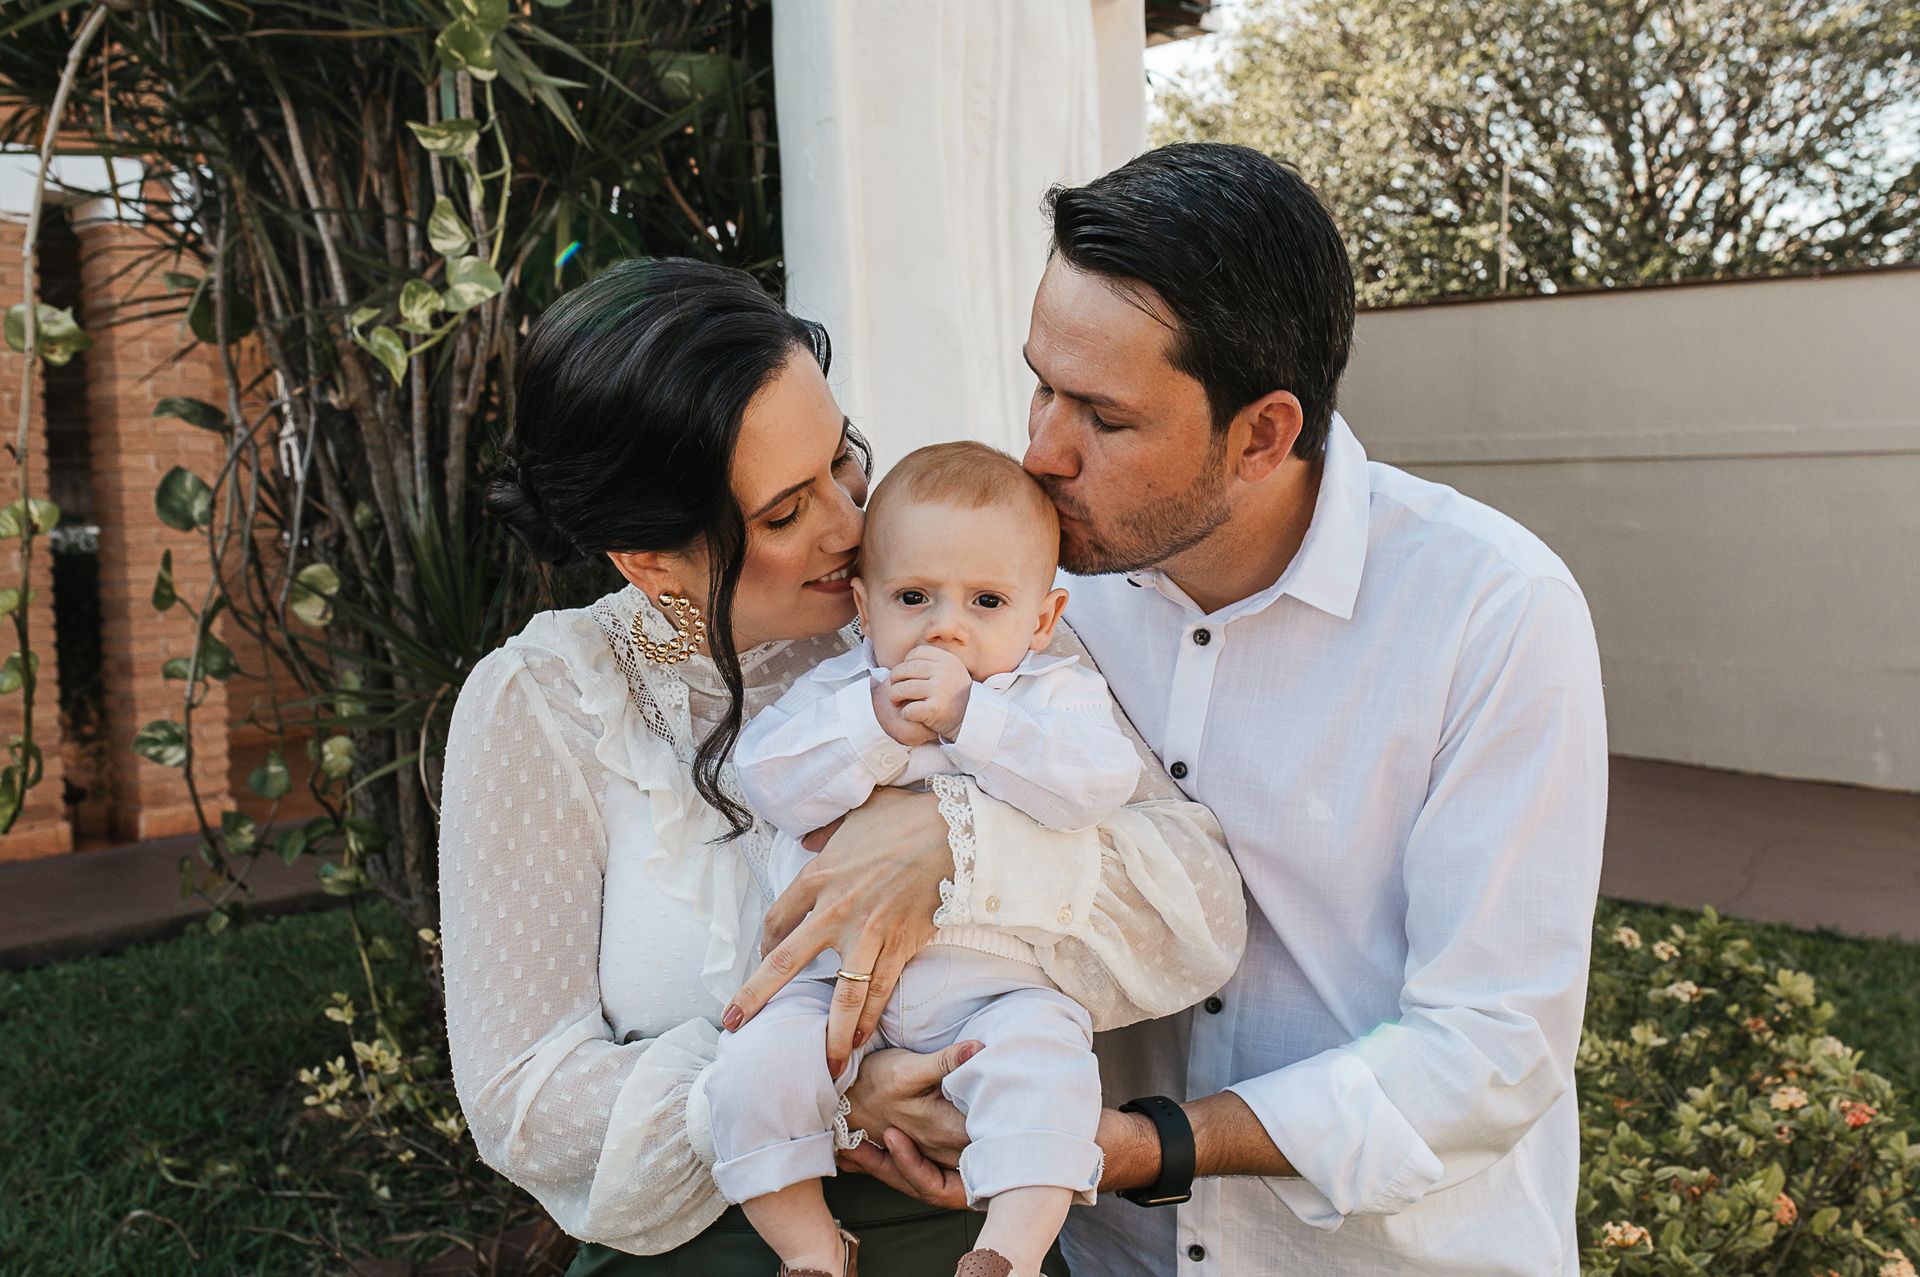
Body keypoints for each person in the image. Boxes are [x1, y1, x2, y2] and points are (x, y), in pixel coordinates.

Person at [749, 143, 1607, 1275]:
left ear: (1262, 434)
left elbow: (1489, 1048)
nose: (1040, 449)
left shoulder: (1492, 612)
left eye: (1101, 416)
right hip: (1093, 1255)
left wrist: (1148, 1144)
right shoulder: (1023, 578)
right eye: (1039, 383)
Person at [438, 257, 1246, 1275]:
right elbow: (523, 1096)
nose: (850, 523)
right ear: (649, 561)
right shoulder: (547, 702)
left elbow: (1198, 904)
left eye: (844, 457)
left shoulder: (948, 605)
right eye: (785, 512)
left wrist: (950, 845)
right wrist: (830, 1089)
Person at [710, 442, 1237, 1277]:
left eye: (986, 600)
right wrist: (873, 727)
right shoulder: (845, 692)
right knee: (751, 1070)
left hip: (998, 987)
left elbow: (1094, 786)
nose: (946, 626)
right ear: (863, 604)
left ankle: (1008, 1253)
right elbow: (768, 779)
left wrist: (974, 724)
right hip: (832, 990)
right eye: (913, 596)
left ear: (1040, 617)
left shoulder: (1050, 694)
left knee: (1047, 1070)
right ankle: (810, 1248)